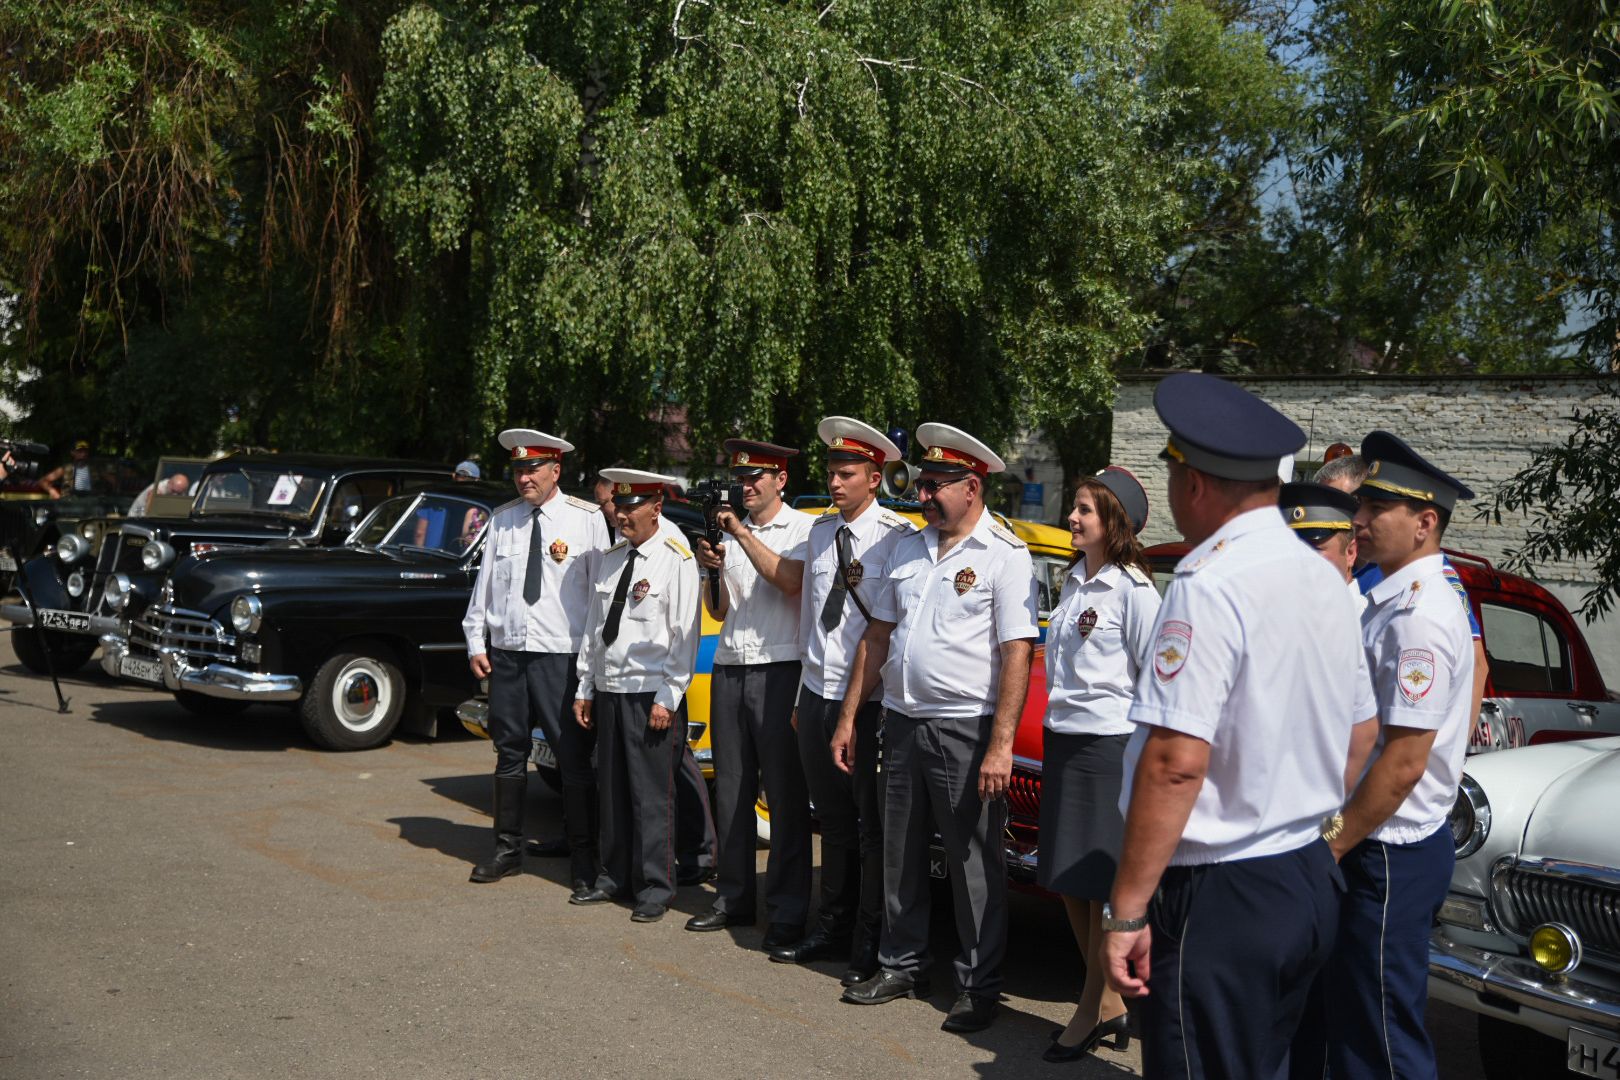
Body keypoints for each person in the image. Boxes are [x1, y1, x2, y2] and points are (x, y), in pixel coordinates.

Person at [1101, 373, 1368, 1079]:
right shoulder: (1325, 578)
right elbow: (1362, 731)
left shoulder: (1210, 581)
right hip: (1303, 873)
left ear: (1193, 483)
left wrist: (1127, 911)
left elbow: (1174, 764)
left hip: (1223, 893)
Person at [834, 423, 1039, 1035]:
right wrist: (849, 716)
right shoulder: (907, 547)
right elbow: (878, 637)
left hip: (964, 728)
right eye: (922, 484)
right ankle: (901, 964)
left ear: (971, 488)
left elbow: (1017, 654)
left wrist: (1001, 745)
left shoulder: (1005, 555)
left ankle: (979, 986)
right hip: (900, 721)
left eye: (935, 486)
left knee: (973, 861)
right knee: (899, 852)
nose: (922, 495)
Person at [1320, 432, 1477, 1080]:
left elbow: (1404, 762)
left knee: (1382, 1039)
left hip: (1386, 850)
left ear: (1424, 523)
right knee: (1349, 1025)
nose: (1359, 518)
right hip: (1375, 841)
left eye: (1377, 507)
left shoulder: (1419, 618)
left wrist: (1331, 843)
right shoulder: (1391, 599)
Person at [768, 417, 913, 985]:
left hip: (868, 701)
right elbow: (811, 616)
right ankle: (831, 925)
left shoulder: (895, 537)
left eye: (847, 474)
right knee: (831, 820)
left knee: (871, 826)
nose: (834, 482)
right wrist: (803, 693)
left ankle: (869, 939)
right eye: (831, 472)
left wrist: (856, 707)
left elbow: (888, 628)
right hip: (818, 690)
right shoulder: (821, 532)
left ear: (874, 478)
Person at [1038, 466, 1160, 1063]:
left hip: (1108, 745)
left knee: (1102, 887)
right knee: (1070, 880)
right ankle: (1110, 1003)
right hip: (1064, 738)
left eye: (1085, 509)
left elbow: (1154, 679)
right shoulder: (1072, 582)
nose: (1072, 517)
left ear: (1115, 521)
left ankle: (1090, 1010)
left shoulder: (1135, 592)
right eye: (1075, 507)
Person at [460, 429, 610, 895]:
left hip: (560, 656)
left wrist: (590, 666)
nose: (524, 478)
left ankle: (584, 857)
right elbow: (486, 584)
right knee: (509, 752)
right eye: (518, 470)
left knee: (572, 757)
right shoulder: (503, 519)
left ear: (555, 470)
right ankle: (507, 850)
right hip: (508, 654)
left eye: (533, 469)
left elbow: (599, 599)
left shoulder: (586, 519)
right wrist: (475, 640)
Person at [686, 441, 814, 947]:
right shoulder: (731, 532)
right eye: (741, 478)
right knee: (733, 792)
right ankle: (733, 898)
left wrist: (739, 533)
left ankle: (786, 911)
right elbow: (719, 610)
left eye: (757, 476)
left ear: (780, 479)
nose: (747, 486)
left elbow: (790, 582)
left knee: (783, 796)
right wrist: (712, 569)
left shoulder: (802, 529)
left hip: (779, 667)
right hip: (731, 666)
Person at [571, 468, 702, 923]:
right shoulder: (612, 557)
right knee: (612, 790)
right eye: (619, 507)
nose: (621, 515)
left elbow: (685, 634)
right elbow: (594, 628)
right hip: (610, 688)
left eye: (631, 508)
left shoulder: (676, 557)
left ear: (656, 508)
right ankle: (614, 876)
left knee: (652, 796)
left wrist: (669, 695)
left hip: (650, 694)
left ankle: (654, 887)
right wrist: (585, 685)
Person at [1316, 451, 1491, 742]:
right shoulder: (1352, 567)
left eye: (1348, 506)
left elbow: (1477, 664)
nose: (1352, 520)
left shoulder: (1421, 585)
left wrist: (1455, 751)